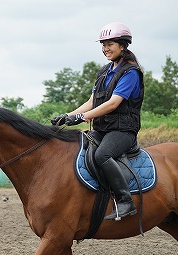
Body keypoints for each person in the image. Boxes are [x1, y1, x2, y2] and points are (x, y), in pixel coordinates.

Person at [51, 22, 144, 220]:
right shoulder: (104, 71)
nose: (105, 48)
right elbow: (92, 101)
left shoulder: (131, 72)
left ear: (123, 45)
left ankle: (125, 201)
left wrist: (83, 117)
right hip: (103, 129)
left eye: (110, 44)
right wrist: (68, 116)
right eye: (103, 44)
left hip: (123, 131)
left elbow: (112, 104)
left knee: (102, 155)